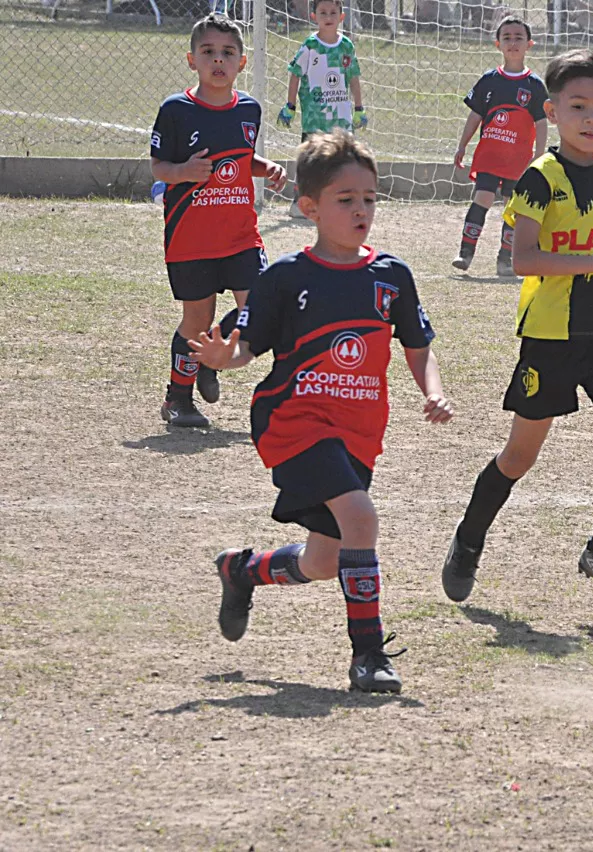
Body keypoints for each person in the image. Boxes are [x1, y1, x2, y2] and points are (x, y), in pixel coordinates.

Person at [189, 132, 453, 694]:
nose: (361, 210)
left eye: (369, 199)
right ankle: (369, 655)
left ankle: (243, 570)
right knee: (361, 519)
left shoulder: (392, 276)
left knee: (325, 560)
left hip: (360, 432)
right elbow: (246, 346)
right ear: (310, 207)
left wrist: (433, 390)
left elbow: (417, 346)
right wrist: (221, 358)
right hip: (293, 421)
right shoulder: (286, 277)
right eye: (346, 199)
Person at [441, 49, 593, 602]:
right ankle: (469, 539)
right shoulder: (539, 178)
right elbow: (523, 258)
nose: (592, 118)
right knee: (519, 457)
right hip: (551, 336)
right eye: (579, 106)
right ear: (552, 111)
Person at [149, 14, 288, 429]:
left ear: (242, 62)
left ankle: (221, 364)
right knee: (196, 321)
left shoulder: (248, 109)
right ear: (191, 59)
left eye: (227, 53)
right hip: (191, 238)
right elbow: (158, 167)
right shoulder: (176, 110)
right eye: (208, 52)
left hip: (241, 235)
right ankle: (178, 400)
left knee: (261, 307)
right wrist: (182, 172)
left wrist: (266, 167)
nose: (218, 60)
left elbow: (241, 157)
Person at [452, 16, 550, 278]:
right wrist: (462, 145)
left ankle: (505, 260)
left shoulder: (534, 86)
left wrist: (539, 156)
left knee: (512, 207)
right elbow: (475, 115)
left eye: (519, 37)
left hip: (519, 160)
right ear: (498, 44)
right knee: (482, 198)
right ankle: (465, 253)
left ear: (529, 44)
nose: (512, 42)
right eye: (507, 37)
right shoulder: (489, 80)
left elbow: (541, 123)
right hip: (489, 156)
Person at [277, 0, 367, 218]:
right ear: (314, 16)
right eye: (323, 12)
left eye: (333, 12)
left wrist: (359, 108)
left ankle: (341, 204)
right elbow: (295, 75)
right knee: (311, 161)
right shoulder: (310, 46)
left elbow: (353, 77)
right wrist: (290, 106)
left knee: (344, 161)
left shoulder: (346, 46)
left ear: (341, 17)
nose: (328, 17)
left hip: (341, 118)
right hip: (314, 118)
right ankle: (300, 203)